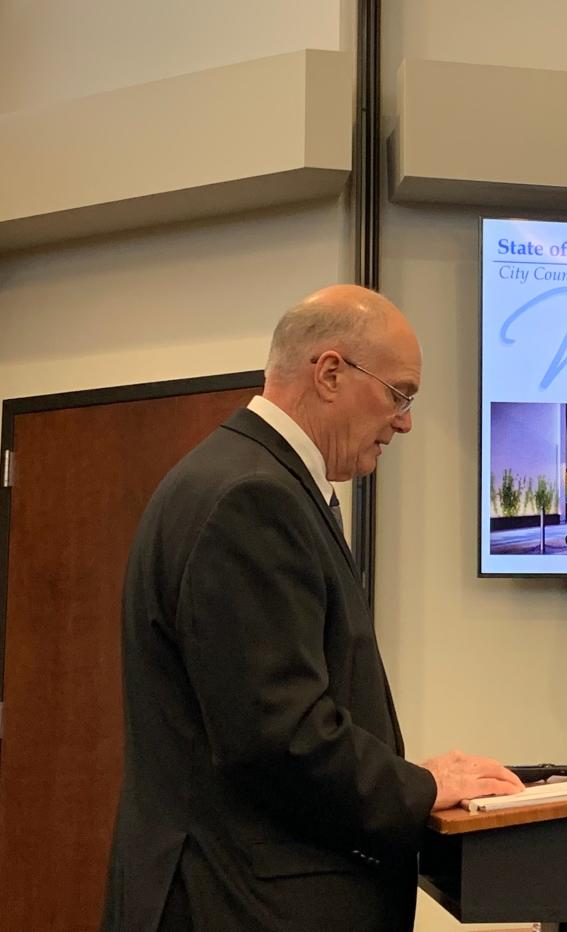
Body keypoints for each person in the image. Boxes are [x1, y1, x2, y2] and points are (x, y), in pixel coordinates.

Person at [102, 285, 523, 932]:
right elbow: (279, 736)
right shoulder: (251, 497)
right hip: (243, 905)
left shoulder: (241, 477)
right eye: (400, 394)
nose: (406, 421)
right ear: (330, 373)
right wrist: (423, 788)